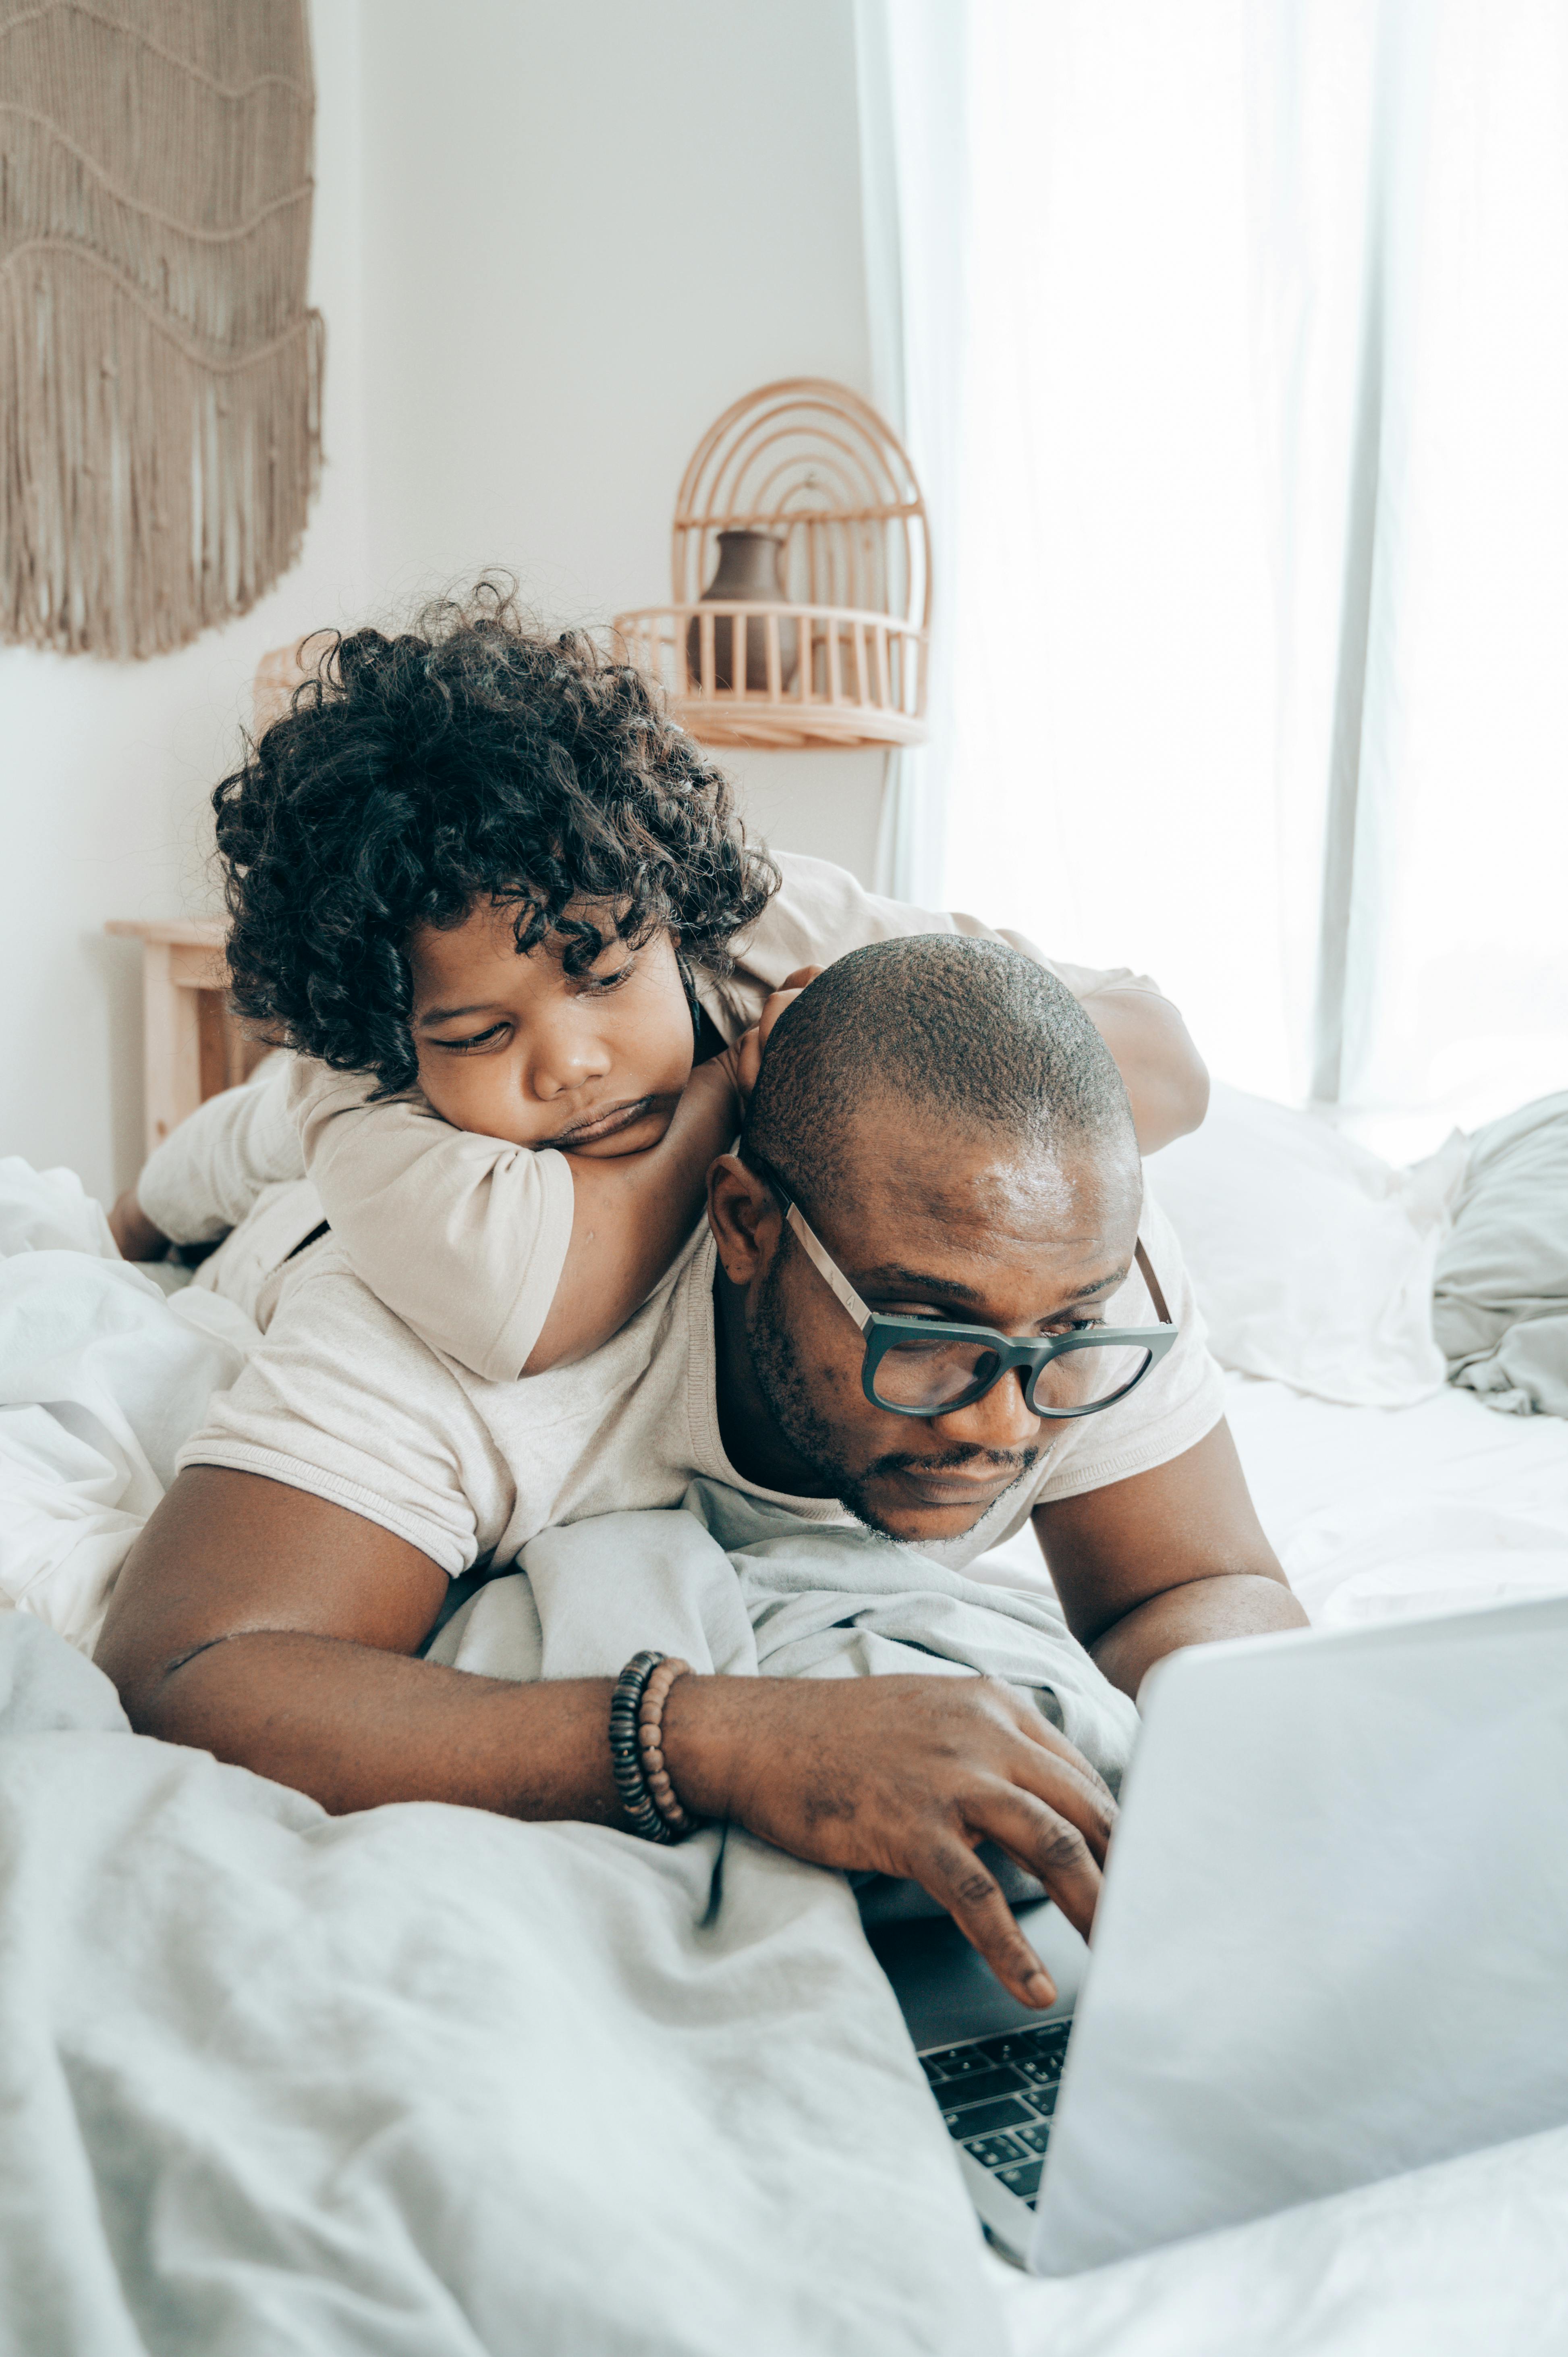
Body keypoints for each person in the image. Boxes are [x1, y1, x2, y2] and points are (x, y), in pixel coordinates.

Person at [97, 936, 1306, 2008]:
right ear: (744, 1223)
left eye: (1062, 1338)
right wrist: (722, 1739)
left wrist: (1250, 1769)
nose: (1003, 1419)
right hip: (294, 1224)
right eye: (924, 1336)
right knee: (246, 1153)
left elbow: (1185, 1584)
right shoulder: (459, 1323)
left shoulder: (1063, 1258)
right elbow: (189, 1667)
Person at [110, 588, 1209, 1382]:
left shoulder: (771, 930)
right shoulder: (350, 1087)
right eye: (483, 1034)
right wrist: (740, 1082)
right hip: (292, 1211)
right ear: (396, 1040)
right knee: (234, 1158)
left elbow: (1166, 1074)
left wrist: (837, 1035)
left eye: (599, 974)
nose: (569, 1062)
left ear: (669, 914)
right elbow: (528, 1309)